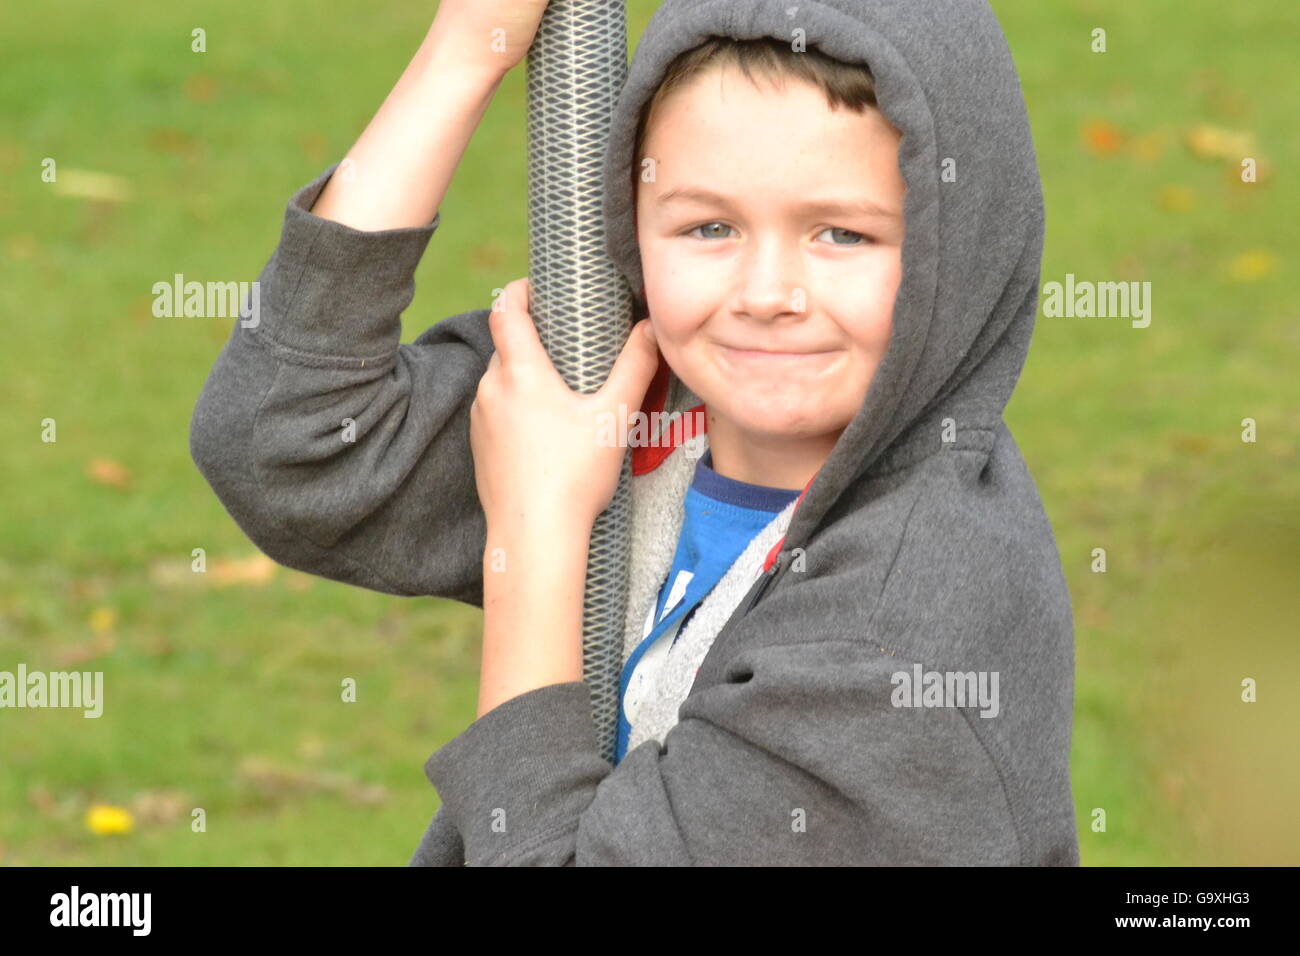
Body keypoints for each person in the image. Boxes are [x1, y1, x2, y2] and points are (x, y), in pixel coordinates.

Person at [190, 0, 1080, 866]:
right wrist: (464, 53)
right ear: (632, 225)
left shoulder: (897, 643)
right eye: (710, 226)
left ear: (959, 248)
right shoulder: (638, 414)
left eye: (842, 233)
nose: (766, 293)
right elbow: (287, 439)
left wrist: (536, 535)